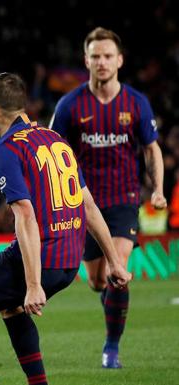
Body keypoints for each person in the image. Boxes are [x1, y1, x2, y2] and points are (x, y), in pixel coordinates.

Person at [0, 73, 132, 385]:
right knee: (9, 306)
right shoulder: (56, 140)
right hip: (69, 263)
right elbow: (89, 205)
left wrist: (33, 284)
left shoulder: (6, 149)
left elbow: (26, 216)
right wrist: (115, 262)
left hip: (43, 259)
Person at [50, 27, 167, 368]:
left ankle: (111, 349)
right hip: (83, 202)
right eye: (95, 56)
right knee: (98, 280)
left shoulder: (136, 103)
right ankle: (111, 302)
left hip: (123, 198)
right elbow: (52, 151)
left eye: (107, 56)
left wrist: (157, 188)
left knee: (118, 267)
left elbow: (151, 149)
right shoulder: (69, 105)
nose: (101, 62)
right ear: (86, 60)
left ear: (119, 60)